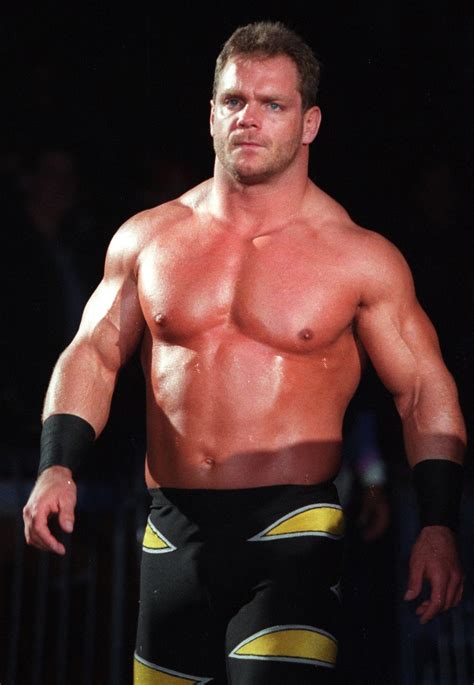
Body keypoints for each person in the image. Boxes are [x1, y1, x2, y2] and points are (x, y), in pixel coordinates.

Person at [23, 21, 466, 684]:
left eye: (272, 104)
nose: (248, 118)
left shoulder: (357, 257)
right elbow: (92, 353)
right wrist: (57, 464)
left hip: (292, 531)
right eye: (234, 100)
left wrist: (438, 522)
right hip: (171, 530)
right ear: (211, 114)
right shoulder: (149, 239)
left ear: (309, 123)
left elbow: (423, 390)